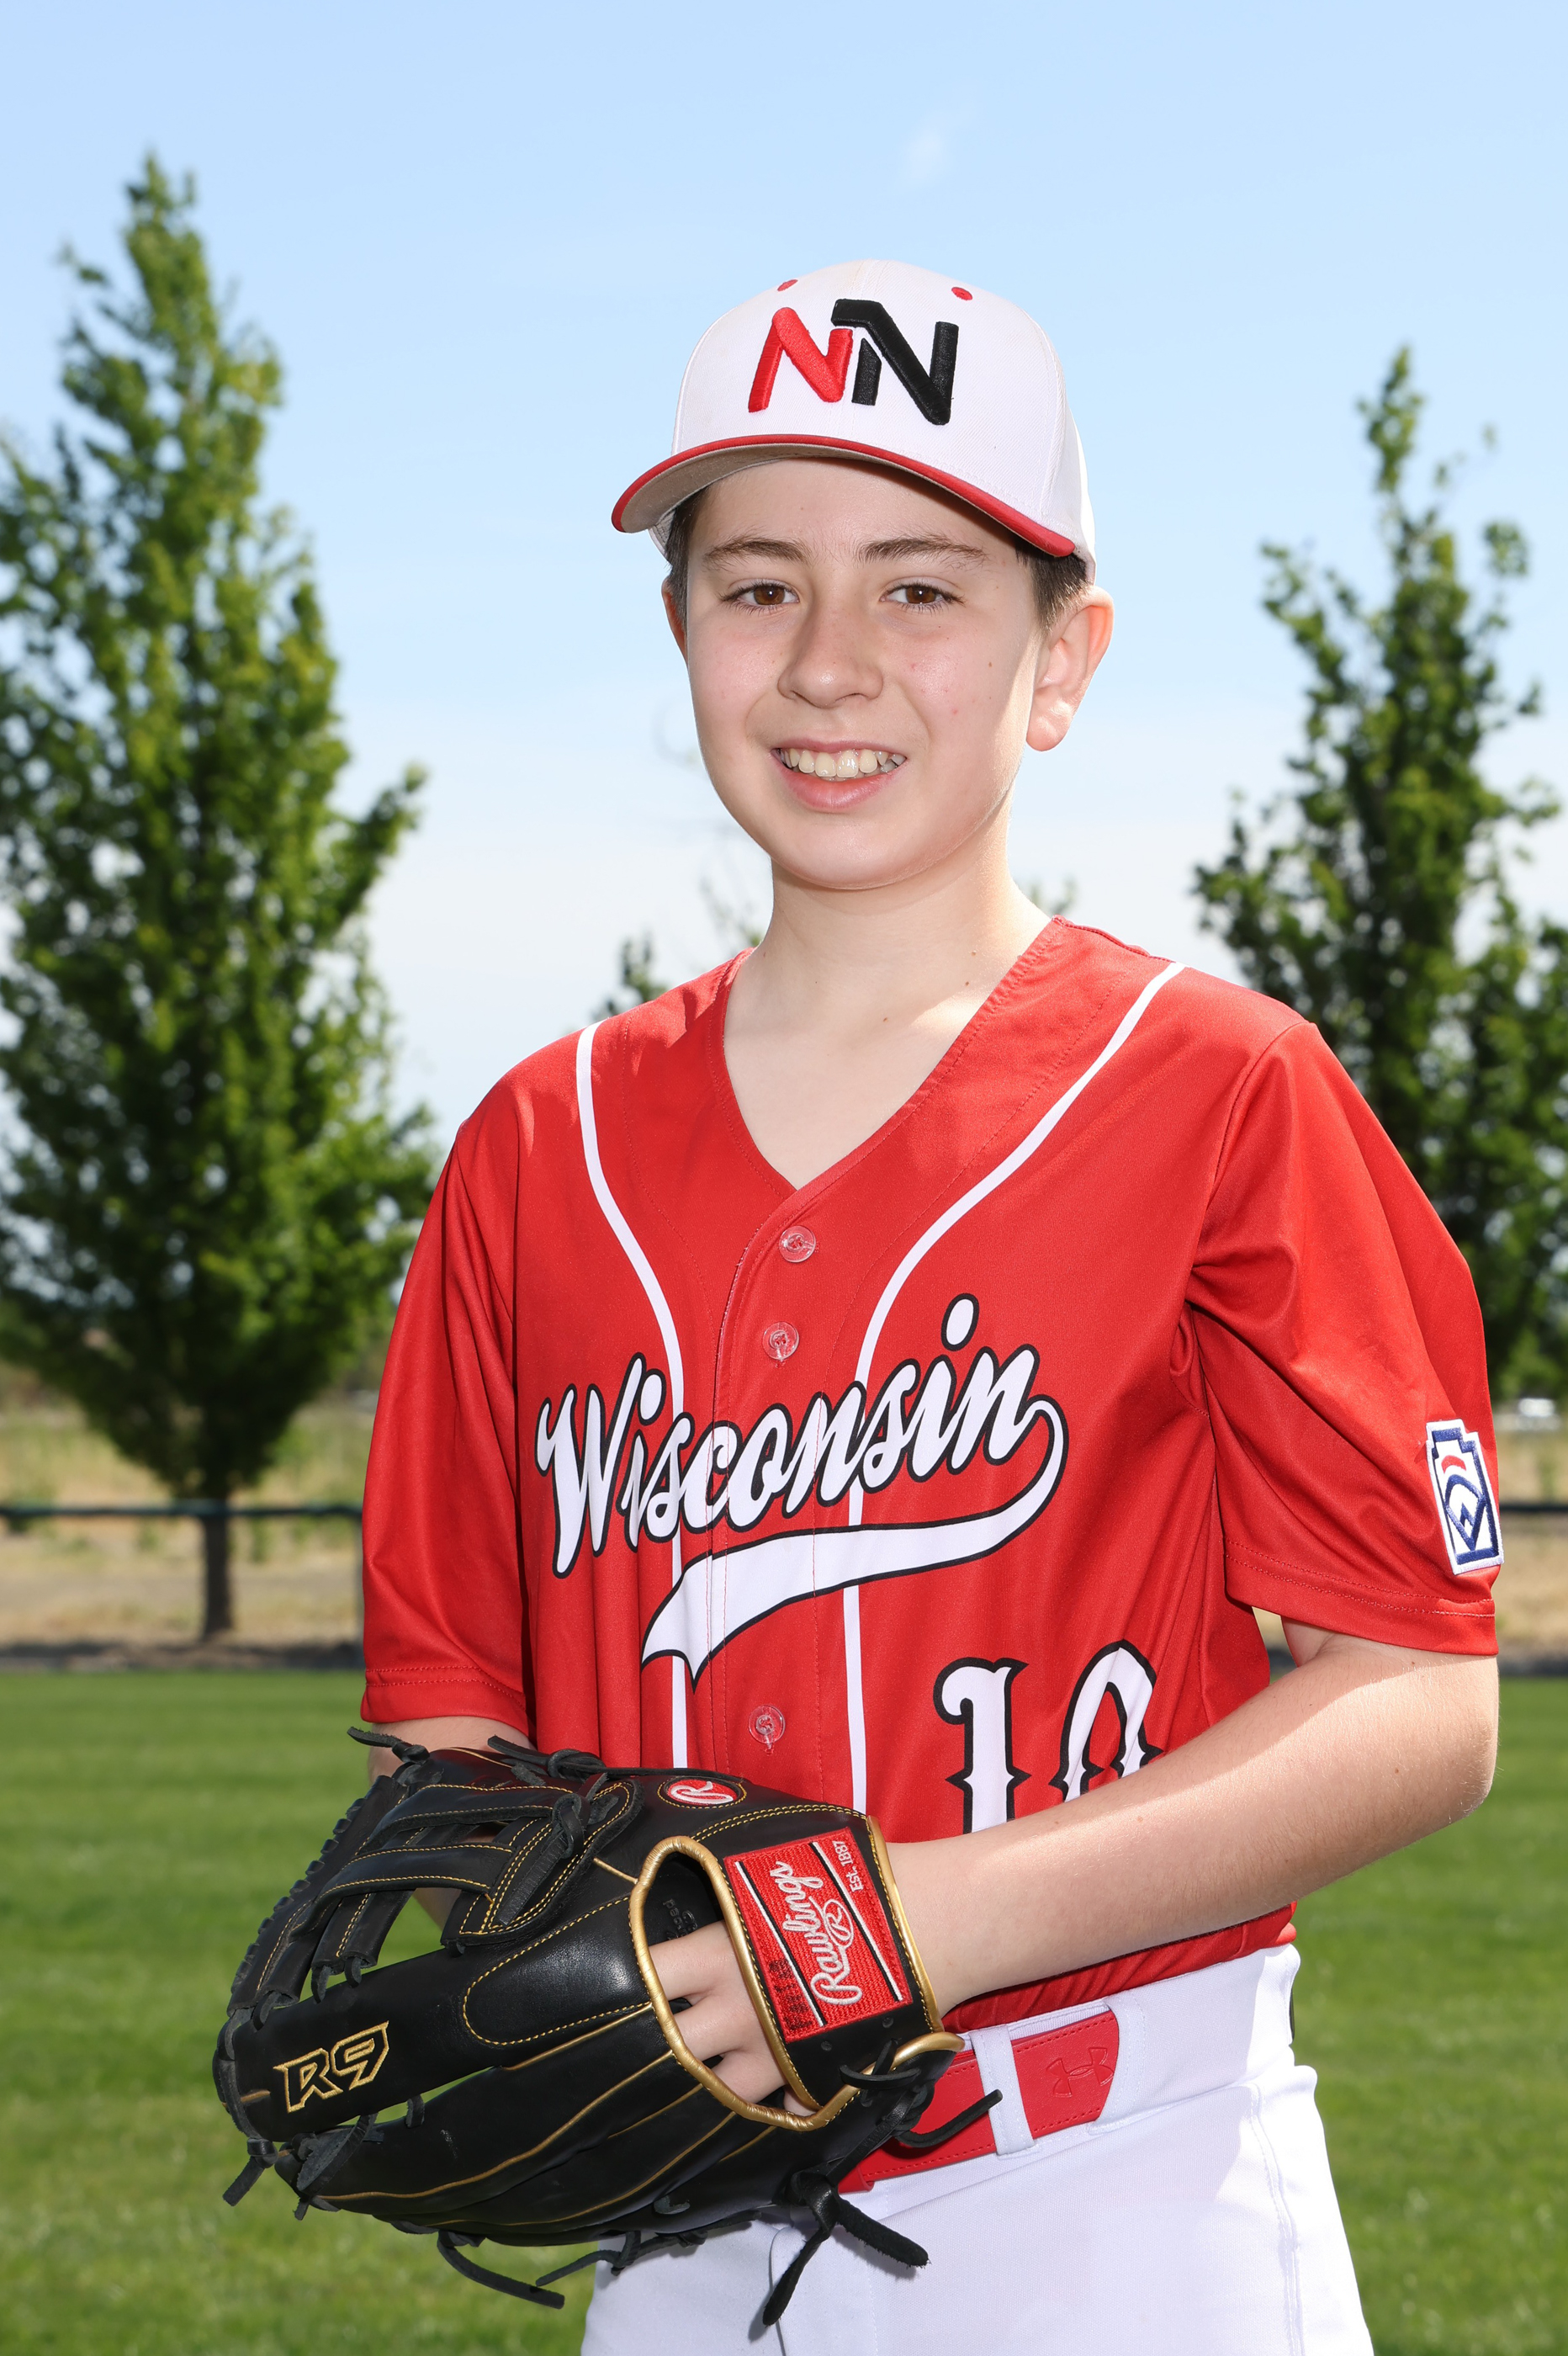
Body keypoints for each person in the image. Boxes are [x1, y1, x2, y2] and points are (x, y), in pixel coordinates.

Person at [359, 260, 1502, 2355]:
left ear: (1061, 657)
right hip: (674, 2214)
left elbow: (1421, 1695)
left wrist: (911, 1915)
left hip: (1125, 2190)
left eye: (921, 586)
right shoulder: (537, 1145)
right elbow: (457, 1718)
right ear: (680, 631)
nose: (830, 659)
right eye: (758, 585)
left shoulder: (1221, 1089)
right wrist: (527, 1962)